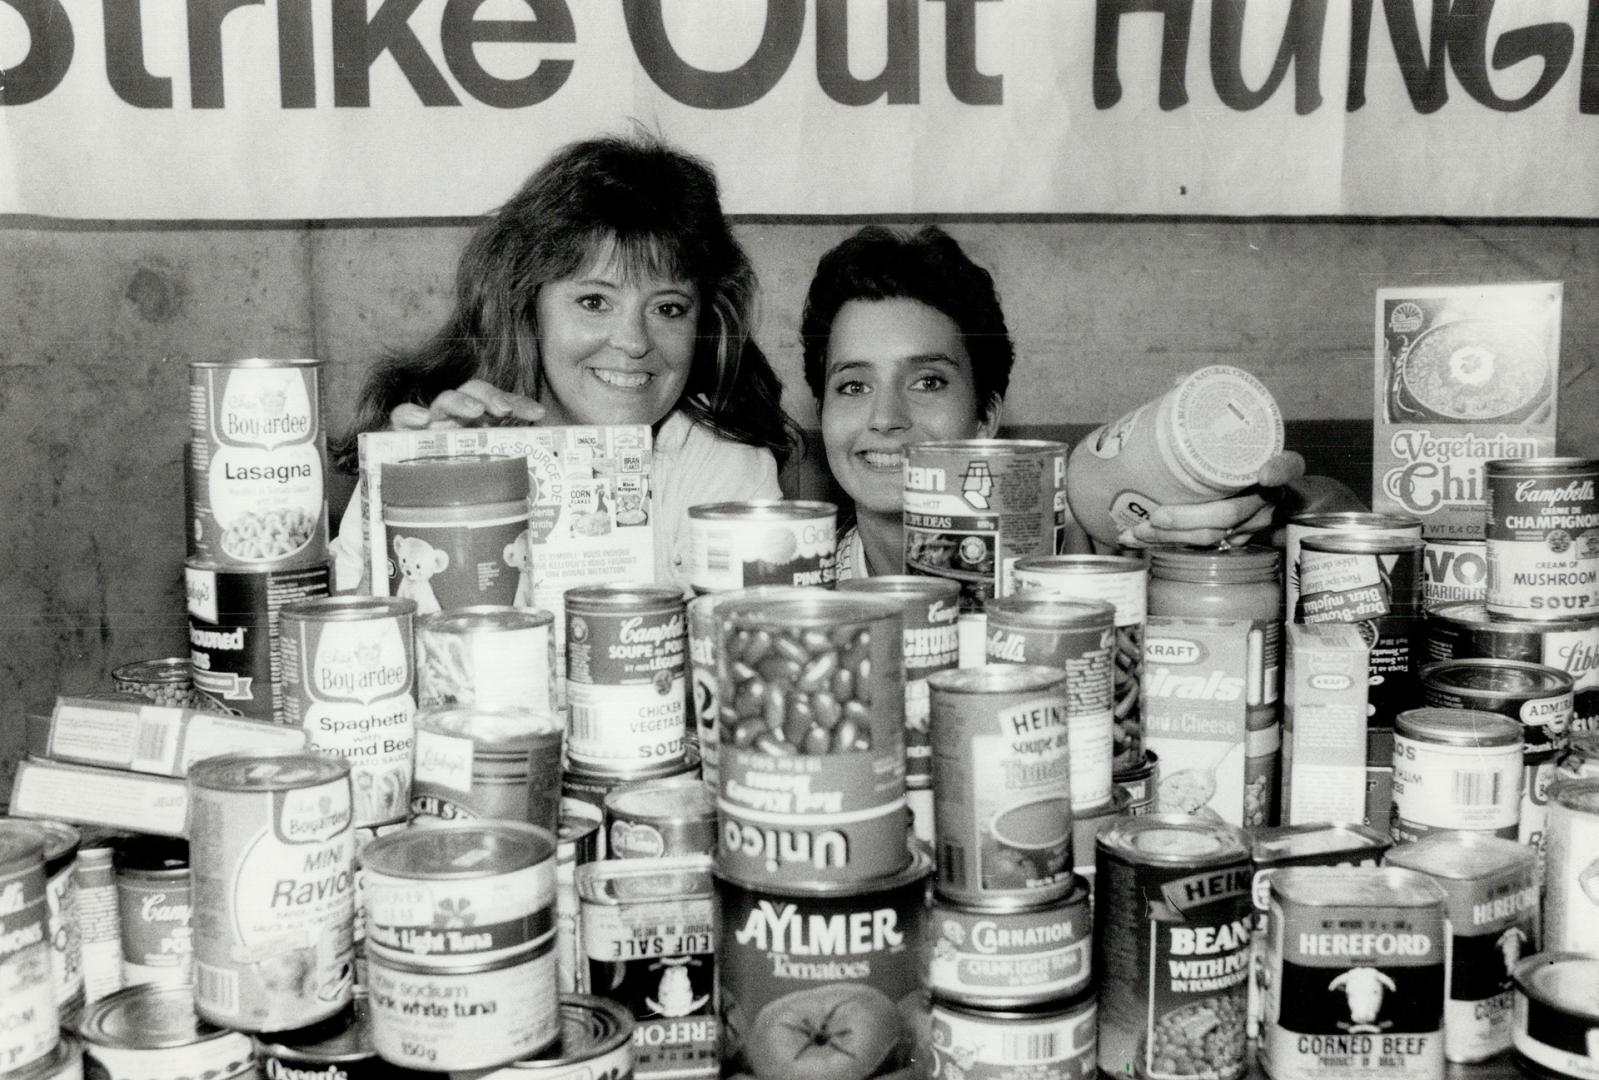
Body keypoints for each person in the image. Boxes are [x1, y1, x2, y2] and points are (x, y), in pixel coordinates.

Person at [331, 133, 794, 592]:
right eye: (594, 301)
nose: (634, 342)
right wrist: (408, 505)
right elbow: (346, 651)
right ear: (527, 305)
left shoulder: (721, 463)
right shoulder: (439, 442)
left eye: (668, 308)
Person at [801, 225, 1360, 579]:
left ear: (987, 414)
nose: (885, 418)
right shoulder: (796, 589)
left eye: (927, 382)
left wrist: (1265, 519)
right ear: (822, 414)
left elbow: (1337, 510)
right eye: (853, 386)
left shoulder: (1090, 548)